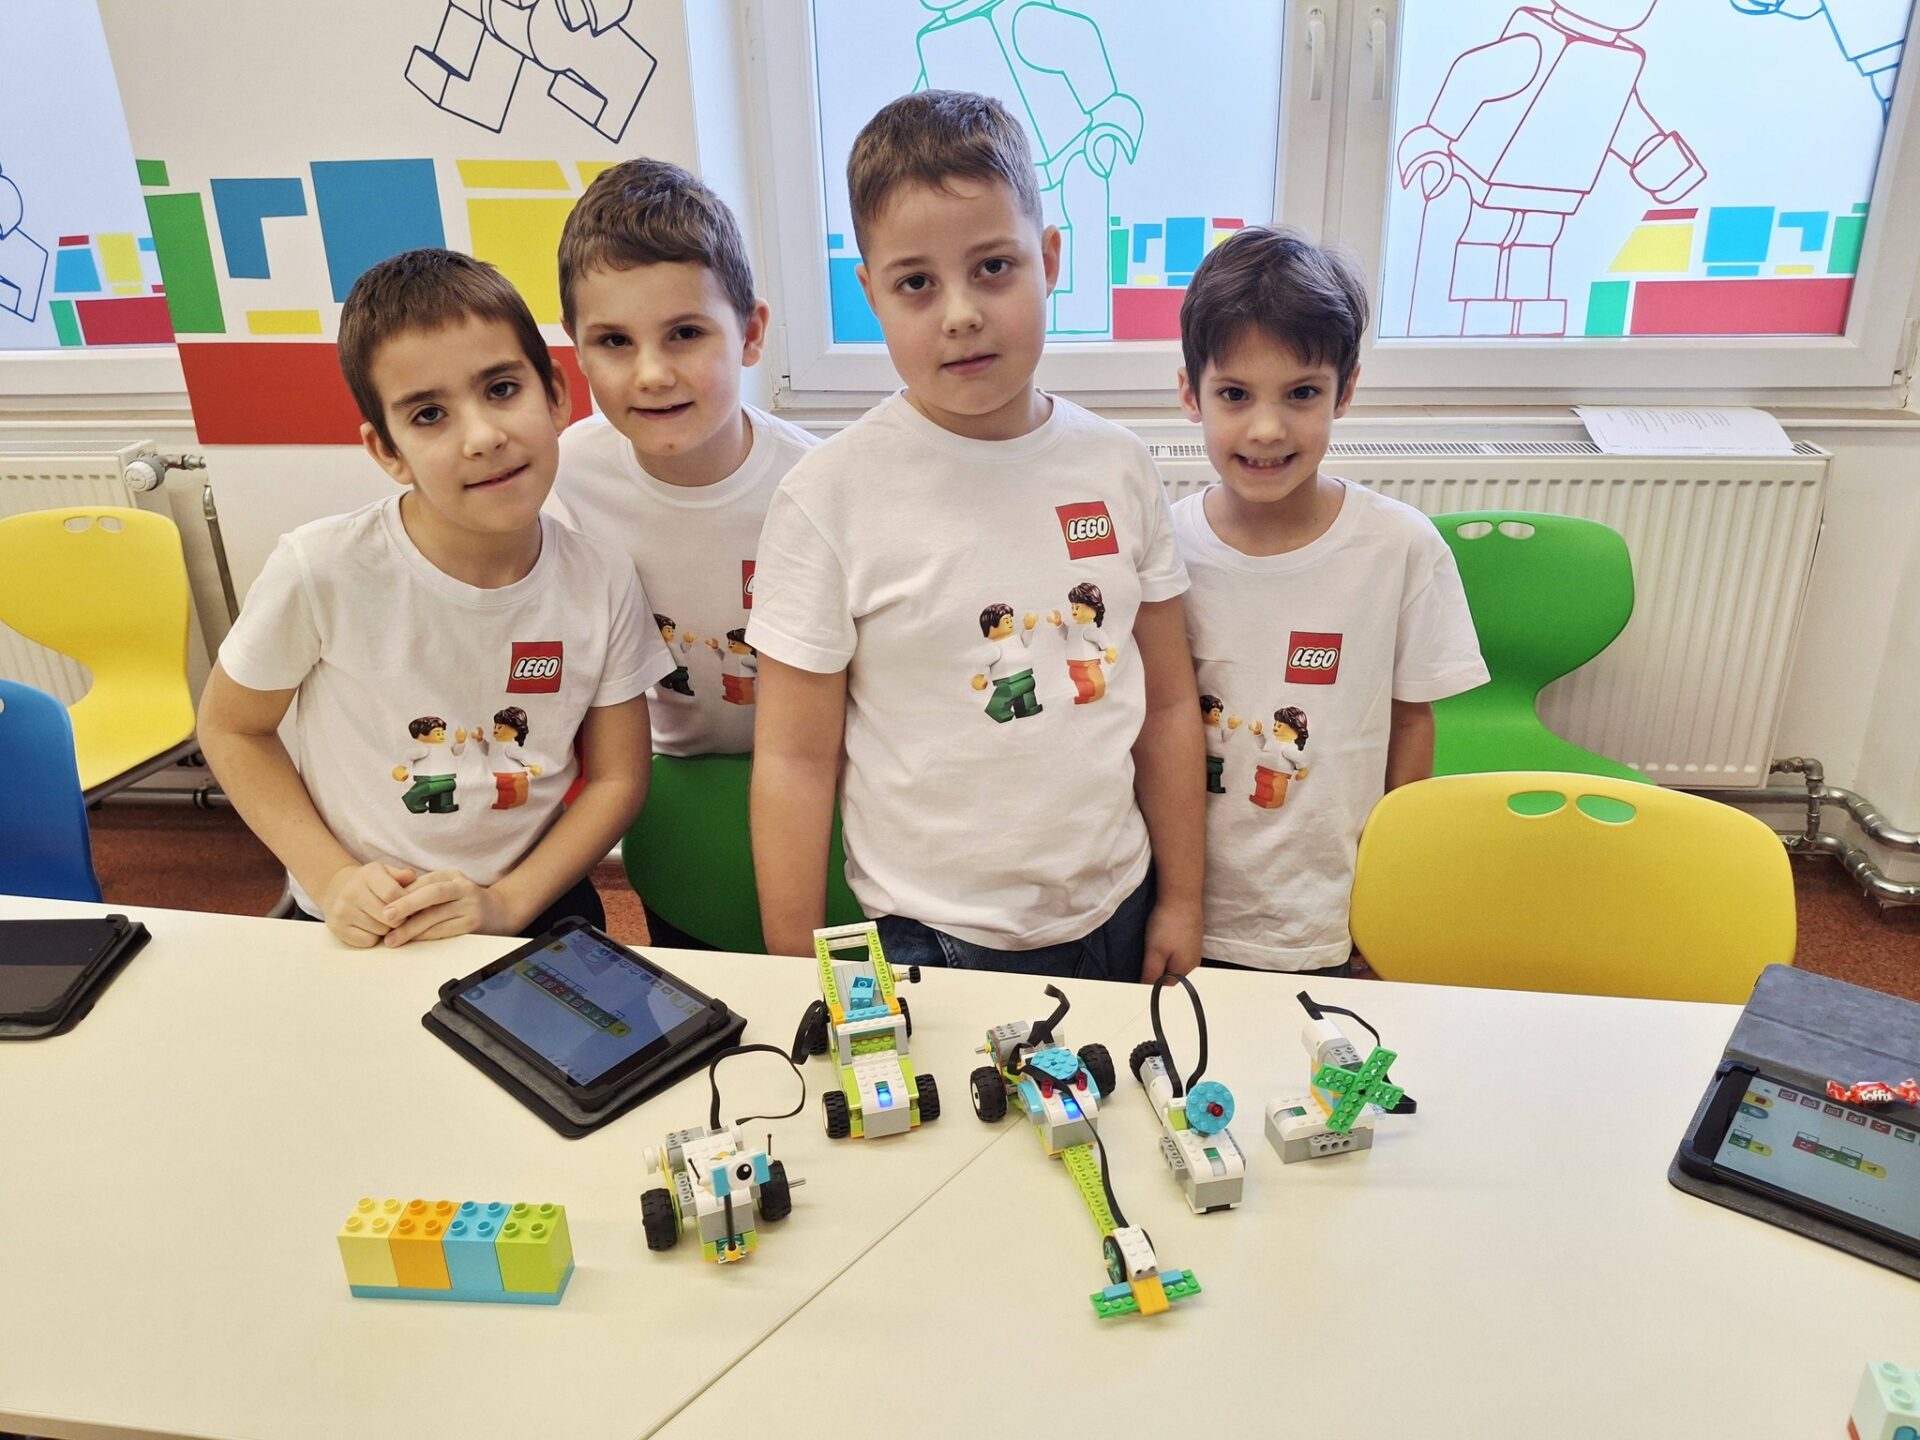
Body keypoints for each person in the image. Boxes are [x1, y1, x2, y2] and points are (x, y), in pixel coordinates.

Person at [748, 90, 1203, 983]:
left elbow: (1168, 703)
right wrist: (792, 967)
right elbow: (796, 761)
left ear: (1049, 259)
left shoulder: (1118, 466)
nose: (959, 313)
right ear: (871, 294)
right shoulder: (827, 498)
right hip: (931, 937)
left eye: (993, 267)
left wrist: (1183, 898)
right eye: (916, 283)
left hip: (1120, 901)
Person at [198, 249, 671, 948]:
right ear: (387, 451)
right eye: (428, 414)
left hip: (536, 905)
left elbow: (618, 778)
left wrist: (506, 903)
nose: (482, 437)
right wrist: (332, 879)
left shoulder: (602, 576)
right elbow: (233, 729)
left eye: (502, 389)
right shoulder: (320, 567)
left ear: (555, 394)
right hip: (363, 918)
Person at [1172, 225, 1488, 973]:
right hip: (1185, 909)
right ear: (1191, 394)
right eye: (1235, 394)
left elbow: (1411, 723)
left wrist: (1391, 887)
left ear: (1345, 391)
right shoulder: (1165, 546)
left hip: (1327, 911)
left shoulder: (1398, 546)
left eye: (1302, 393)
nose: (1267, 428)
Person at [549, 157, 816, 947]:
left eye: (686, 333)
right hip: (669, 791)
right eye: (614, 341)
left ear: (751, 334)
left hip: (822, 781)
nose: (653, 374)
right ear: (577, 349)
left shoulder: (819, 485)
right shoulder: (564, 477)